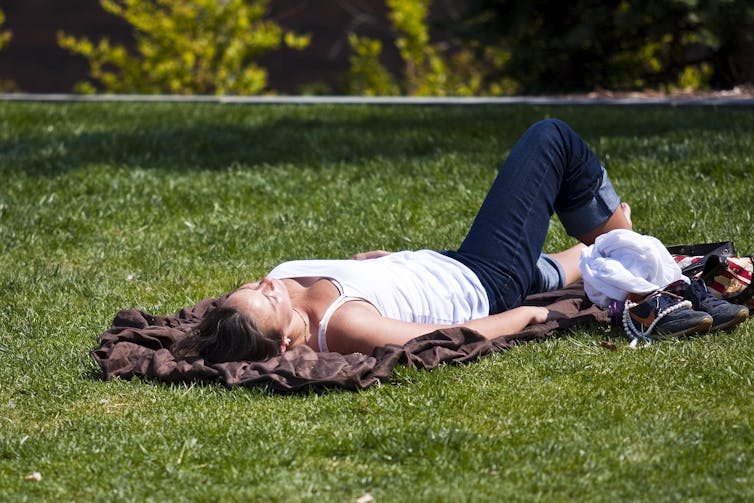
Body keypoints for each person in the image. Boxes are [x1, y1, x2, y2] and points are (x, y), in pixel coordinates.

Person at [175, 119, 746, 363]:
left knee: (586, 260)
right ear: (283, 346)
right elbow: (438, 337)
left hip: (446, 265)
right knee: (550, 140)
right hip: (484, 280)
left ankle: (634, 253)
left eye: (252, 284)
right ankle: (639, 263)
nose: (268, 283)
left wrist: (380, 267)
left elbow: (360, 286)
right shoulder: (341, 327)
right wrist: (522, 319)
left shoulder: (290, 292)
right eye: (267, 298)